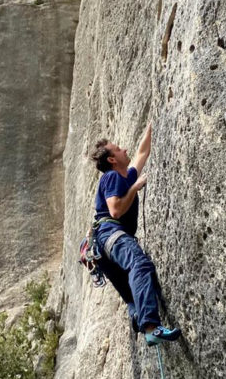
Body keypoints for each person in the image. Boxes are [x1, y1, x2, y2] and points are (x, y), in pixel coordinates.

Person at [90, 123, 182, 346]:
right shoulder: (112, 177)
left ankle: (136, 315)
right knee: (140, 265)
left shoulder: (127, 175)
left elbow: (143, 151)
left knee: (133, 295)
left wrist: (153, 122)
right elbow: (115, 209)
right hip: (110, 234)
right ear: (112, 159)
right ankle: (151, 327)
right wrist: (134, 188)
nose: (124, 150)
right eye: (118, 149)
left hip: (104, 251)